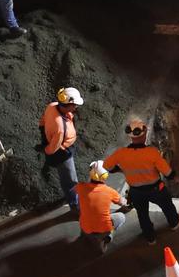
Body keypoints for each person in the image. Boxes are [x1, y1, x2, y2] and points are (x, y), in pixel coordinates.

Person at [104, 119, 179, 246]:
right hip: (155, 189)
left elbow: (107, 166)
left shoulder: (121, 153)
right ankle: (174, 223)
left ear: (130, 136)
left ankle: (150, 238)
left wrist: (121, 170)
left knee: (142, 215)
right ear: (144, 134)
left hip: (136, 192)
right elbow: (167, 172)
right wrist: (176, 178)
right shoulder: (151, 153)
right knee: (167, 206)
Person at [38, 86, 84, 214]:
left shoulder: (52, 105)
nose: (76, 108)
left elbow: (42, 121)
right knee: (70, 180)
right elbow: (53, 149)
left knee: (68, 179)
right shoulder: (60, 128)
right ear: (66, 104)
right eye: (74, 105)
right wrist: (47, 150)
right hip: (62, 153)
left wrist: (43, 132)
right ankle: (75, 205)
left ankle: (72, 199)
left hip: (58, 141)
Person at [74, 161, 128, 254]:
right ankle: (107, 237)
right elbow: (123, 203)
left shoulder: (80, 187)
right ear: (105, 176)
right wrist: (126, 200)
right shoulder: (110, 192)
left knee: (85, 214)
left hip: (85, 227)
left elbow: (76, 189)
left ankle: (85, 235)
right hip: (103, 229)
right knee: (121, 217)